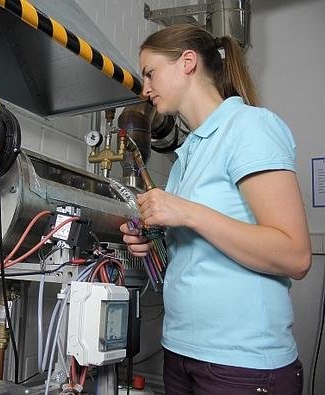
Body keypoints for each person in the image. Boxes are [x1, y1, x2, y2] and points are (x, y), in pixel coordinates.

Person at [120, 24, 311, 395]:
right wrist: (151, 239)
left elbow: (295, 254)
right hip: (180, 351)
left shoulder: (249, 128)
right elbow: (195, 253)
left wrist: (187, 212)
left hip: (241, 364)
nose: (145, 89)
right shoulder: (187, 155)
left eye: (150, 73)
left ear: (187, 62)